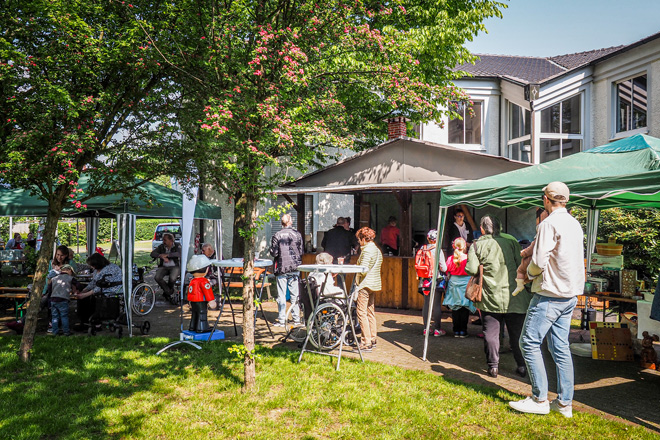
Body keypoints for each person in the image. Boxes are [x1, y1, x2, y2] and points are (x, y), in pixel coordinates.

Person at [509, 182, 585, 418]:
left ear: (546, 199)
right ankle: (564, 405)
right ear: (566, 200)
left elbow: (539, 261)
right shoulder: (575, 224)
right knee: (560, 348)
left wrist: (527, 275)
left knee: (529, 343)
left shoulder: (548, 224)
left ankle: (539, 399)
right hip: (569, 295)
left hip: (549, 295)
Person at [466, 215, 531, 379]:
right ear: (500, 227)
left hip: (490, 297)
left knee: (491, 333)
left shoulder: (476, 244)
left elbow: (471, 269)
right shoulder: (511, 240)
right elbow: (521, 264)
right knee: (517, 334)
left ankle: (493, 367)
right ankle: (522, 365)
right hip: (515, 296)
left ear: (482, 229)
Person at [270, 214, 303, 327]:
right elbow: (301, 251)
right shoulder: (297, 234)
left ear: (281, 223)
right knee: (295, 295)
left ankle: (282, 320)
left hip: (281, 267)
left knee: (281, 295)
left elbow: (274, 253)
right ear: (290, 222)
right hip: (294, 267)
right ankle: (296, 319)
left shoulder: (277, 235)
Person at [74, 253, 123, 326]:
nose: (91, 267)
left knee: (89, 297)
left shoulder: (109, 269)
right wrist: (83, 290)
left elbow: (102, 286)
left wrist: (85, 294)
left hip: (113, 289)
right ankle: (84, 319)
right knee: (84, 297)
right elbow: (93, 282)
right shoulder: (97, 270)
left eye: (92, 265)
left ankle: (93, 319)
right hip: (103, 288)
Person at [355, 227, 383, 352]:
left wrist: (356, 278)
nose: (358, 242)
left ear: (364, 238)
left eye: (359, 239)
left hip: (365, 285)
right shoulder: (376, 249)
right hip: (374, 284)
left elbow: (363, 269)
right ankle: (372, 338)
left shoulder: (367, 250)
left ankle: (366, 342)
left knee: (361, 313)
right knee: (370, 312)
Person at [443, 237, 476, 338]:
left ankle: (456, 331)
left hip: (454, 284)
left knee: (455, 308)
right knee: (464, 308)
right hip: (466, 284)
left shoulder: (450, 258)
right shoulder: (467, 258)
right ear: (465, 246)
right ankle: (463, 331)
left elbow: (446, 269)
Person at [416, 229, 447, 337]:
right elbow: (444, 267)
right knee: (436, 304)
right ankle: (437, 329)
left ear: (428, 238)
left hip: (424, 280)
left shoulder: (422, 248)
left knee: (426, 304)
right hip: (436, 279)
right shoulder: (438, 250)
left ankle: (426, 329)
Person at [512, 208, 549, 296]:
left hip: (535, 263)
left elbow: (534, 250)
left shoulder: (543, 230)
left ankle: (520, 284)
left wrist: (524, 253)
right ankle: (523, 282)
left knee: (521, 270)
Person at [48, 264, 83, 336]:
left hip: (53, 299)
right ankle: (66, 331)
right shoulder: (70, 278)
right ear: (69, 270)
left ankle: (55, 332)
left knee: (55, 316)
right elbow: (79, 285)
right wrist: (78, 290)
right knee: (64, 316)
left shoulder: (54, 278)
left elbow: (49, 289)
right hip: (63, 299)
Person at [185, 255, 218, 332]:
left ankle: (193, 326)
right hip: (201, 300)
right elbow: (207, 291)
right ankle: (202, 327)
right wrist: (211, 300)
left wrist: (189, 300)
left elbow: (190, 291)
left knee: (194, 313)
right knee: (202, 313)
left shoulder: (192, 281)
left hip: (193, 300)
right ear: (205, 269)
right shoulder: (204, 281)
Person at [150, 232, 182, 301]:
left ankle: (167, 293)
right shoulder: (161, 246)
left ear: (171, 240)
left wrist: (167, 255)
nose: (163, 241)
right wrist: (160, 256)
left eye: (165, 240)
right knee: (157, 277)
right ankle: (169, 292)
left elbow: (179, 253)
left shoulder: (177, 245)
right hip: (164, 266)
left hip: (174, 266)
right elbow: (152, 253)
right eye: (163, 240)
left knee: (173, 278)